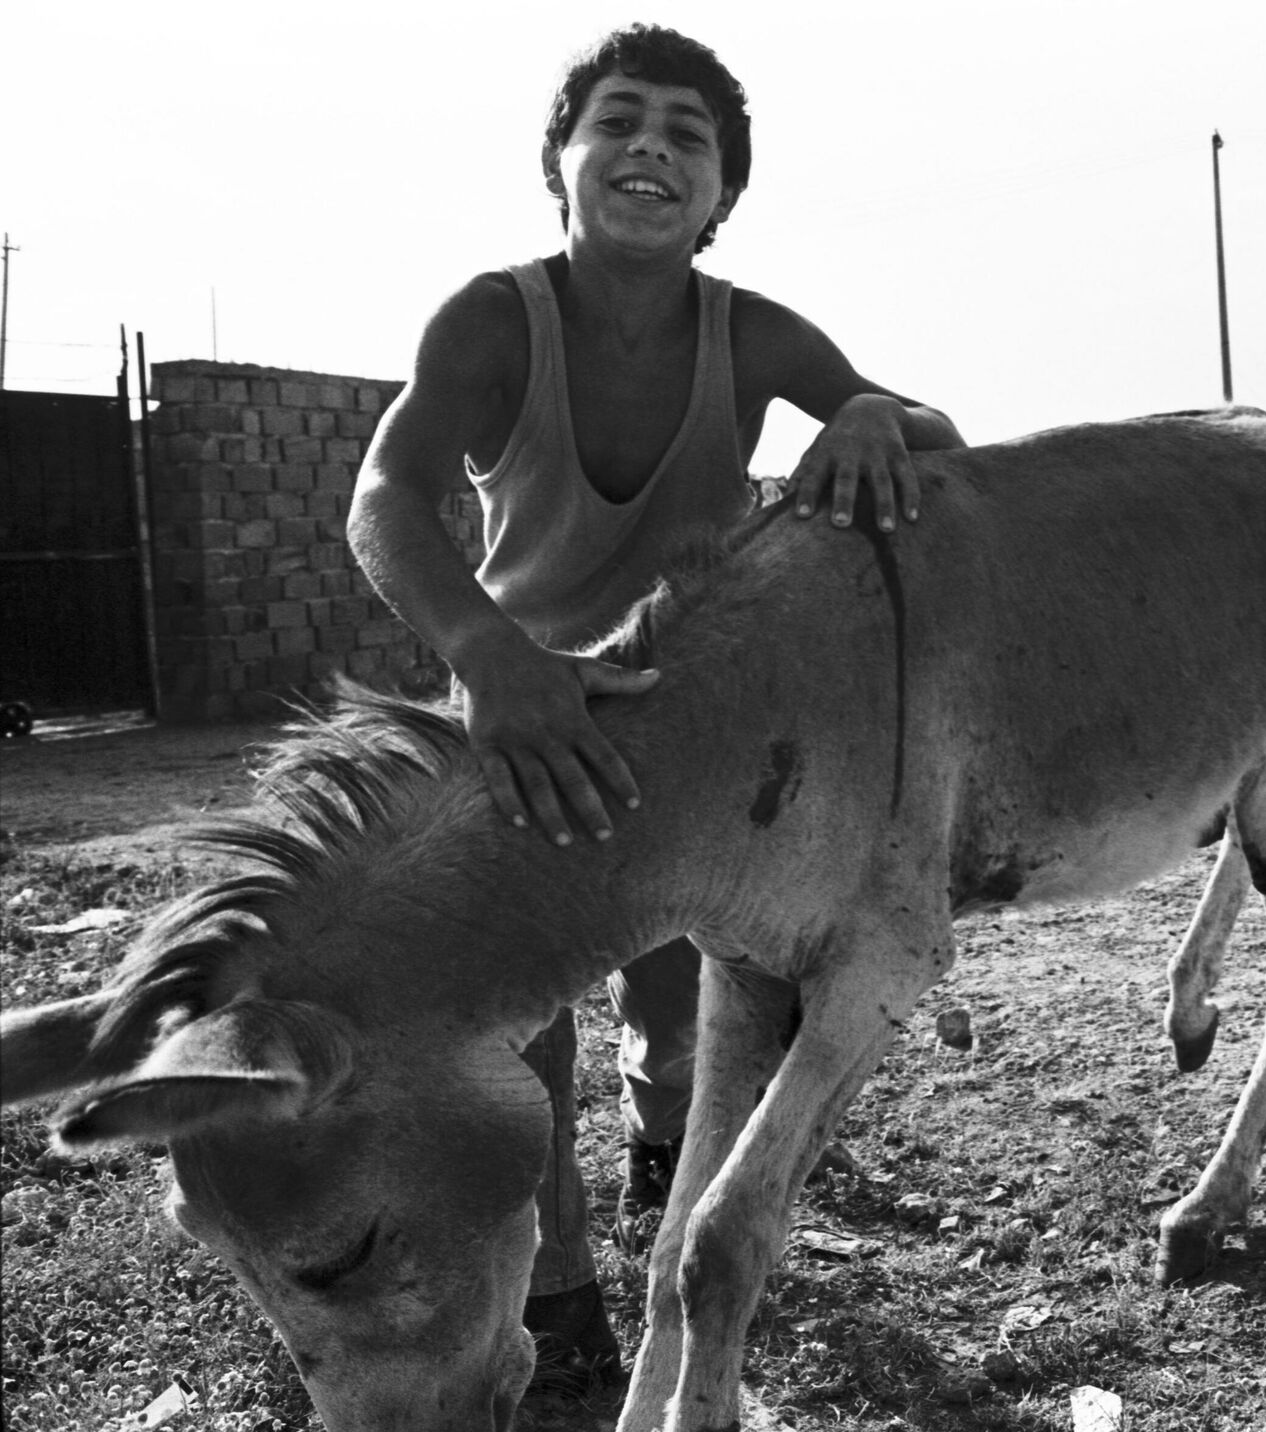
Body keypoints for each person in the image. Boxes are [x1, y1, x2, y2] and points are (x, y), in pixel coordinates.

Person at [347, 23, 964, 1396]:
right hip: (526, 727)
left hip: (695, 748)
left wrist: (868, 413)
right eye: (617, 123)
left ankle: (665, 1154)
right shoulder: (495, 320)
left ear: (722, 195)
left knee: (691, 999)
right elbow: (384, 497)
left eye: (688, 137)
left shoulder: (749, 334)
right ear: (559, 166)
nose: (649, 150)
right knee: (518, 1036)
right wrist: (490, 655)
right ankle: (560, 1299)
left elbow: (922, 424)